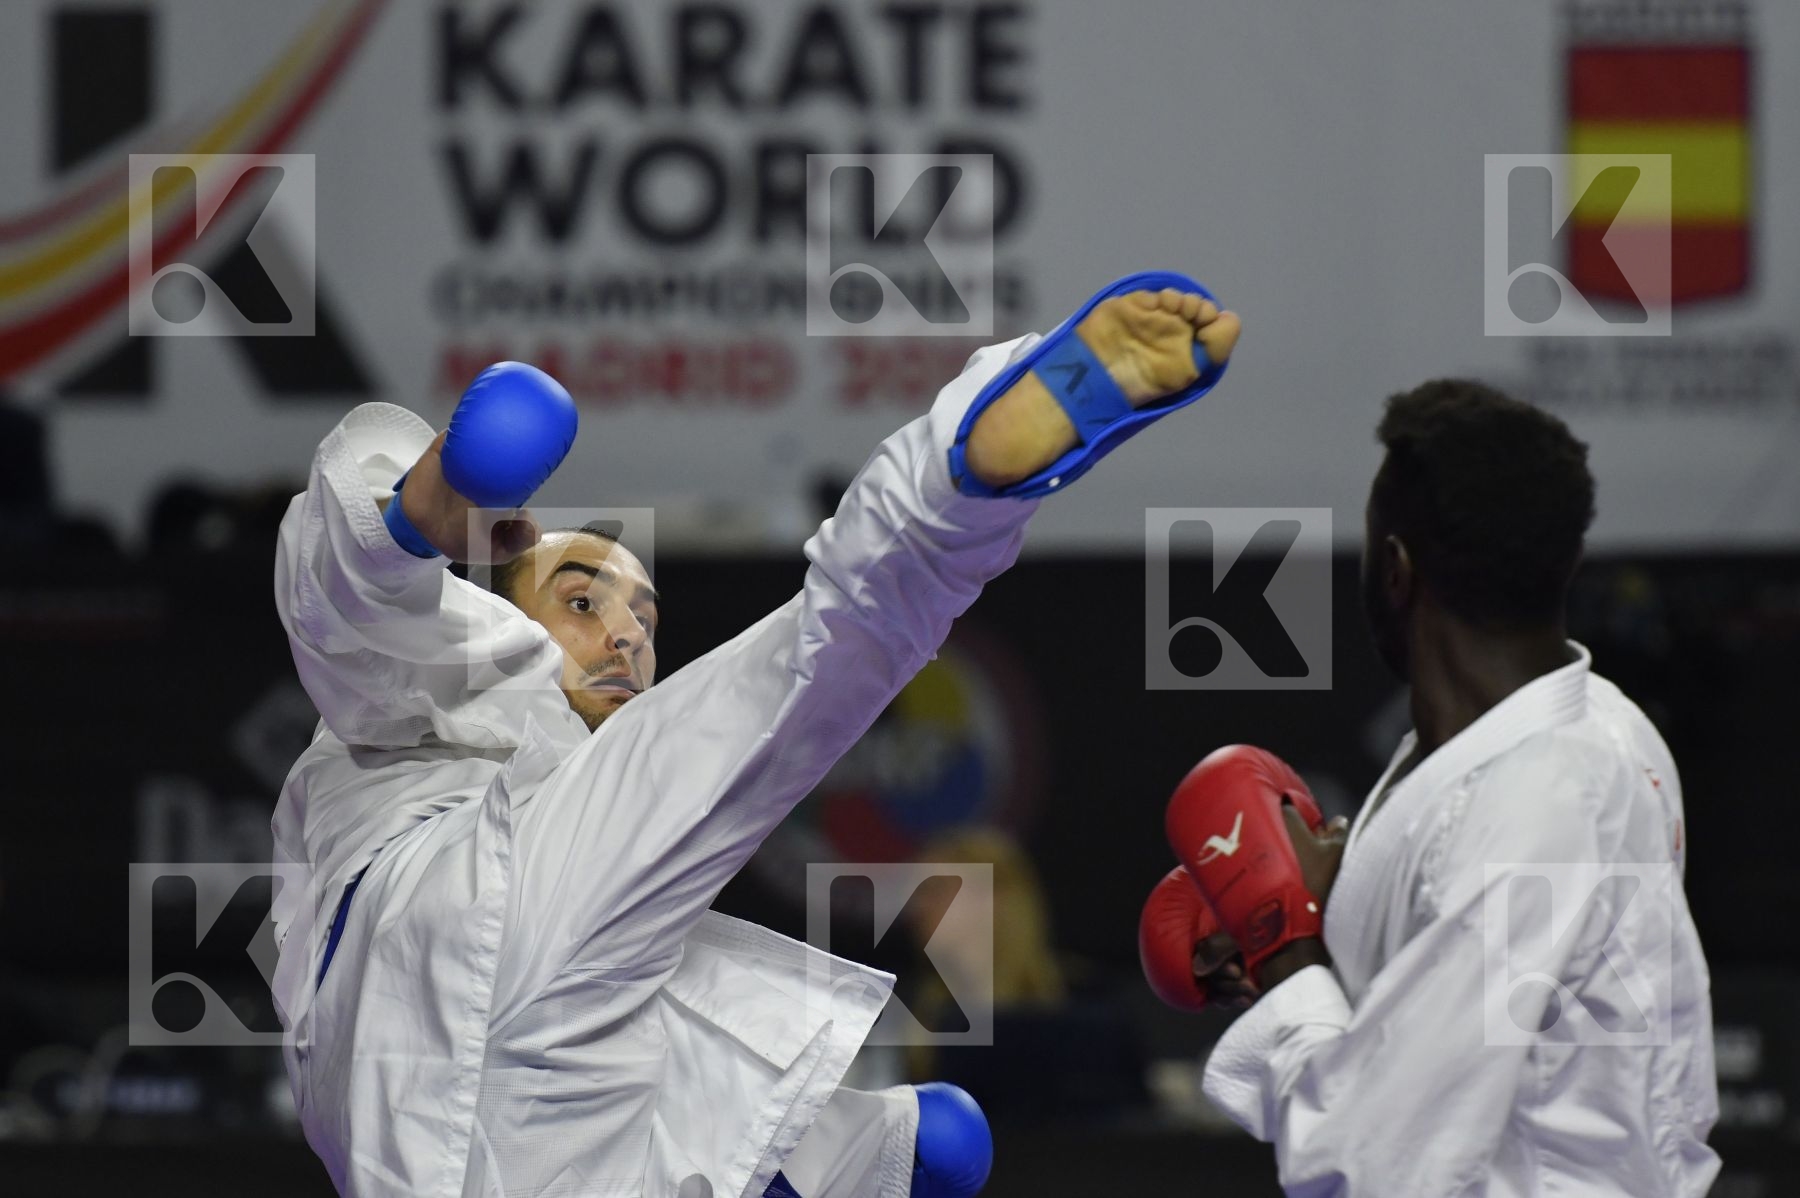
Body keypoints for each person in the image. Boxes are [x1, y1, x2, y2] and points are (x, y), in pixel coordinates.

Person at [269, 274, 1241, 1198]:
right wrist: (414, 521)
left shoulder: (619, 851)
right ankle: (952, 497)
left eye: (645, 620)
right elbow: (346, 606)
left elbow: (689, 1101)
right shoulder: (435, 694)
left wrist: (865, 1152)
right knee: (799, 672)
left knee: (874, 1117)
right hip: (426, 927)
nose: (624, 634)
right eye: (582, 600)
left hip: (500, 1138)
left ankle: (960, 495)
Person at [1147, 380, 1719, 1195]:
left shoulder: (1542, 801)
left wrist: (1289, 949)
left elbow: (1374, 1161)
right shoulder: (1568, 735)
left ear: (1395, 569)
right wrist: (1336, 918)